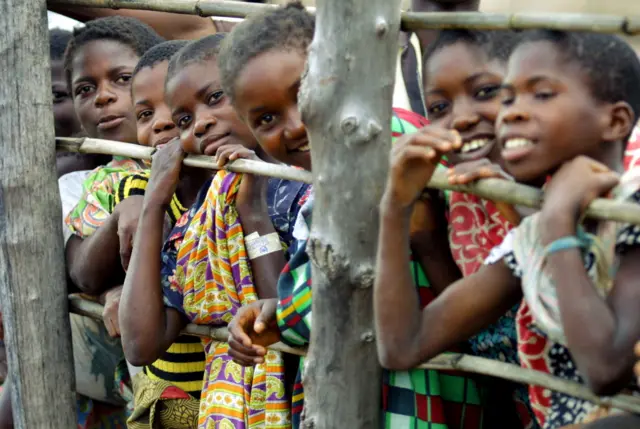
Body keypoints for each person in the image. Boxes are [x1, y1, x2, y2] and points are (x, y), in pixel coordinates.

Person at [218, 3, 492, 427]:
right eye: (267, 119)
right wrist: (280, 307)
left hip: (418, 390)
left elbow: (313, 313)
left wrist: (286, 312)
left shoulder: (386, 146)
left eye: (304, 91)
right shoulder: (336, 170)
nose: (296, 123)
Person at [374, 30, 640, 429]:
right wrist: (395, 206)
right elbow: (403, 346)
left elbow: (605, 370)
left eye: (542, 94)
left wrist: (556, 224)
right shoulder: (532, 238)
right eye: (510, 96)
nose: (509, 113)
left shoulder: (629, 210)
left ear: (615, 120)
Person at [120, 33, 309, 429]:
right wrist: (154, 202)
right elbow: (140, 343)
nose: (201, 123)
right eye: (184, 120)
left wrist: (254, 215)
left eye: (215, 97)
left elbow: (288, 323)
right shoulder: (205, 214)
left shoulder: (303, 187)